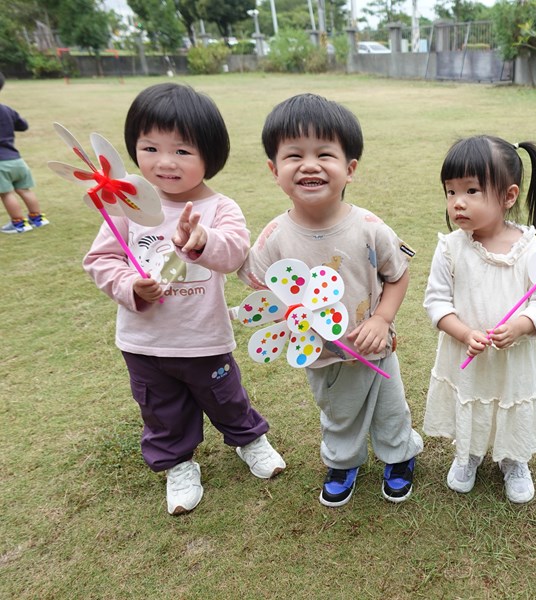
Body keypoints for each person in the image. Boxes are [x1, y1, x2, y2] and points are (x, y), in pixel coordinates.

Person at [83, 83, 285, 516]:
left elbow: (233, 254)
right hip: (144, 342)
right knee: (161, 411)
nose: (164, 162)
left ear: (210, 155)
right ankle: (178, 464)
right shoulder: (124, 205)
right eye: (150, 147)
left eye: (182, 151)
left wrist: (201, 240)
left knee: (226, 397)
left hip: (203, 337)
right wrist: (128, 286)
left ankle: (250, 440)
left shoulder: (220, 208)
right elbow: (100, 259)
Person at [238, 93, 422, 508]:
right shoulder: (273, 238)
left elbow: (398, 275)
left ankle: (399, 456)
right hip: (319, 352)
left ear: (349, 169)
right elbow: (257, 285)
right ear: (274, 169)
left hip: (375, 347)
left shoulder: (370, 228)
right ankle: (342, 462)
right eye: (293, 155)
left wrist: (382, 320)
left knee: (391, 408)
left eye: (325, 153)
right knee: (338, 412)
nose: (309, 164)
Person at [423, 135, 536, 504]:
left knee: (510, 400)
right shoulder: (450, 248)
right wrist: (463, 332)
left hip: (513, 356)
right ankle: (469, 452)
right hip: (469, 353)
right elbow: (436, 302)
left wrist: (523, 325)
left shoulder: (531, 250)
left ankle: (514, 459)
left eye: (472, 190)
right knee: (473, 399)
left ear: (508, 197)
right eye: (450, 192)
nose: (457, 203)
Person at [0, 71, 49, 234]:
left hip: (1, 163)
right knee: (24, 190)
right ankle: (37, 219)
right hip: (16, 160)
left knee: (6, 194)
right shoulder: (7, 109)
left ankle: (19, 223)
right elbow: (23, 125)